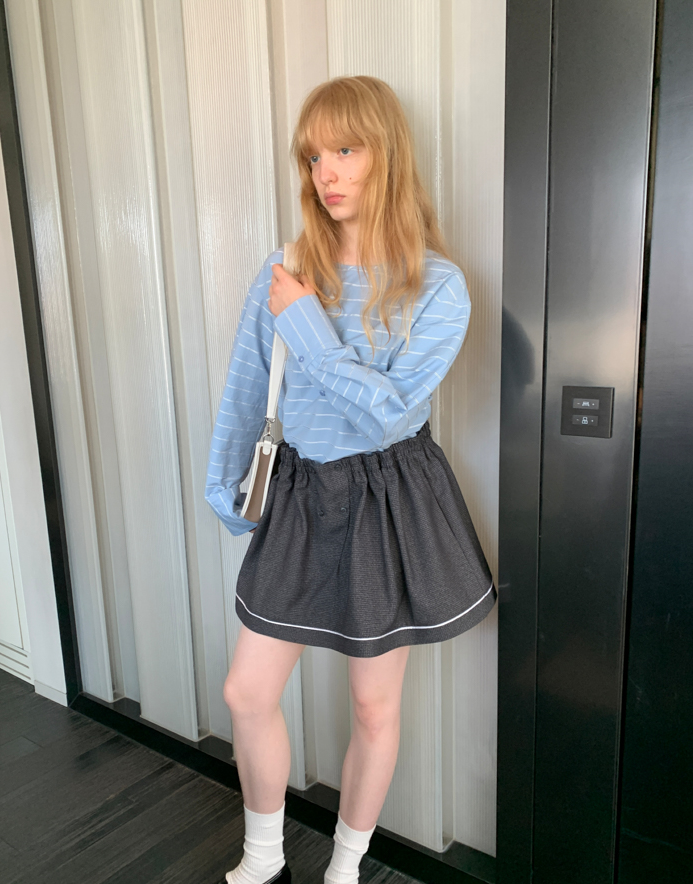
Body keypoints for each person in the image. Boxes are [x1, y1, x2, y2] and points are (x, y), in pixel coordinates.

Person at [204, 75, 495, 884]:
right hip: (301, 495)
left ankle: (345, 866)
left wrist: (306, 323)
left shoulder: (439, 286)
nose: (325, 172)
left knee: (373, 704)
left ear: (386, 154)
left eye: (344, 149)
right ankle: (264, 857)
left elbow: (390, 418)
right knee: (247, 692)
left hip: (389, 497)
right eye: (312, 156)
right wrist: (227, 489)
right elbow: (246, 386)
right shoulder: (286, 266)